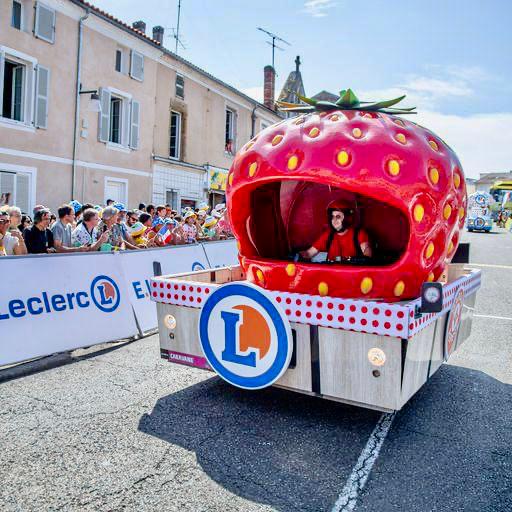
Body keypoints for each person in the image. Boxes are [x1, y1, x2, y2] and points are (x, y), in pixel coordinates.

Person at [300, 200, 371, 262]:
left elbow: (367, 250)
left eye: (338, 217)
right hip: (331, 275)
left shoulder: (359, 234)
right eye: (332, 217)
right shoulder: (328, 235)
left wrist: (365, 258)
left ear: (348, 218)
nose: (334, 220)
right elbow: (309, 253)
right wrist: (298, 255)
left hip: (352, 275)